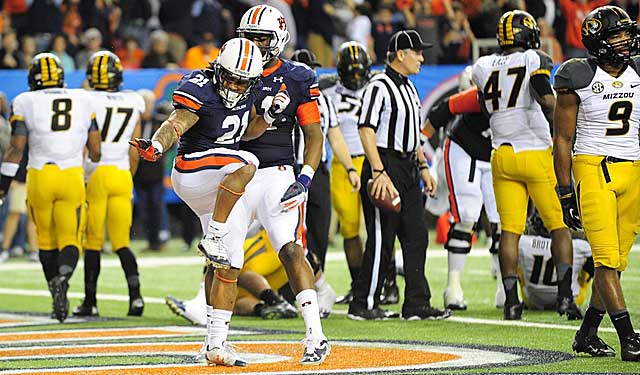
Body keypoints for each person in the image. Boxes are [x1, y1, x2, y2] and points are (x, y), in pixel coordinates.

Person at [130, 37, 287, 367]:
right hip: (192, 170)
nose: (233, 85)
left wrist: (268, 118)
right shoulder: (200, 86)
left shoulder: (253, 92)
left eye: (241, 81)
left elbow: (248, 133)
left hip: (220, 185)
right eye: (229, 77)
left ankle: (216, 344)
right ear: (217, 70)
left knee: (230, 266)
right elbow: (177, 123)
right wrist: (157, 147)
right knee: (249, 163)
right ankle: (213, 234)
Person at [471, 10, 580, 321]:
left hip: (501, 155)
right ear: (528, 35)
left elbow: (484, 106)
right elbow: (544, 96)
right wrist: (569, 125)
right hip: (534, 152)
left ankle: (511, 303)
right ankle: (564, 299)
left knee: (510, 232)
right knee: (559, 226)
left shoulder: (482, 66)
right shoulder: (535, 58)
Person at [237, 4, 330, 365]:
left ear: (277, 40)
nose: (255, 46)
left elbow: (313, 133)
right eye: (249, 38)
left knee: (291, 250)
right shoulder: (229, 70)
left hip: (277, 172)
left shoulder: (298, 76)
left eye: (262, 39)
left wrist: (305, 176)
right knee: (224, 260)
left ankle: (315, 335)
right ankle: (217, 340)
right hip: (236, 169)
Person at [553, 5, 640, 361]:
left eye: (626, 33)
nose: (626, 40)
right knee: (605, 259)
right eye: (618, 35)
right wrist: (564, 191)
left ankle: (587, 333)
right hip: (594, 168)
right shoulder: (577, 76)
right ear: (599, 41)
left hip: (633, 169)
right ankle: (629, 338)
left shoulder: (637, 71)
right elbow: (562, 139)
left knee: (617, 263)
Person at [348, 29, 449, 321]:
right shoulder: (378, 84)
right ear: (401, 55)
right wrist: (378, 170)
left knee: (417, 235)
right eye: (417, 52)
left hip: (407, 166)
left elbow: (413, 136)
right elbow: (365, 129)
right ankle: (363, 303)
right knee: (382, 236)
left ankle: (417, 303)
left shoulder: (408, 88)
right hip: (385, 164)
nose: (421, 57)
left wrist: (423, 167)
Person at [0, 53, 101, 322]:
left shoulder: (24, 100)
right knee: (70, 239)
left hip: (40, 176)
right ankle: (64, 278)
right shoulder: (83, 98)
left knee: (45, 240)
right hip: (71, 177)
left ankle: (55, 291)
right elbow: (95, 150)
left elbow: (16, 147)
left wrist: (2, 185)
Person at [73, 51, 146, 318]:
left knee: (92, 242)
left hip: (96, 174)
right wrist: (129, 175)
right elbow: (134, 149)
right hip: (122, 174)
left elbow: (86, 144)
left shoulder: (85, 98)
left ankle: (90, 301)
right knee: (122, 242)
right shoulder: (134, 100)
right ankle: (136, 298)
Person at [423, 66, 500, 311]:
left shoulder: (519, 100)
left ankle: (506, 287)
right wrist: (420, 141)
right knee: (466, 216)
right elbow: (441, 111)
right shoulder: (477, 97)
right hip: (465, 150)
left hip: (497, 155)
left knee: (503, 222)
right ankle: (452, 287)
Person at [320, 41, 372, 305]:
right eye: (350, 73)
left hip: (374, 161)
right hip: (343, 163)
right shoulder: (327, 89)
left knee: (380, 227)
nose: (356, 78)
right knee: (350, 229)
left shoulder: (378, 86)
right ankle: (358, 284)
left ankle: (382, 282)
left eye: (359, 73)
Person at [165, 223, 298, 325]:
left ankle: (276, 301)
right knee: (230, 302)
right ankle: (266, 307)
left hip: (275, 241)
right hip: (283, 254)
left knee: (229, 262)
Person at [517, 209, 593, 311]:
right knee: (589, 266)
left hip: (533, 301)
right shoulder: (580, 246)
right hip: (574, 298)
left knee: (516, 261)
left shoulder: (522, 242)